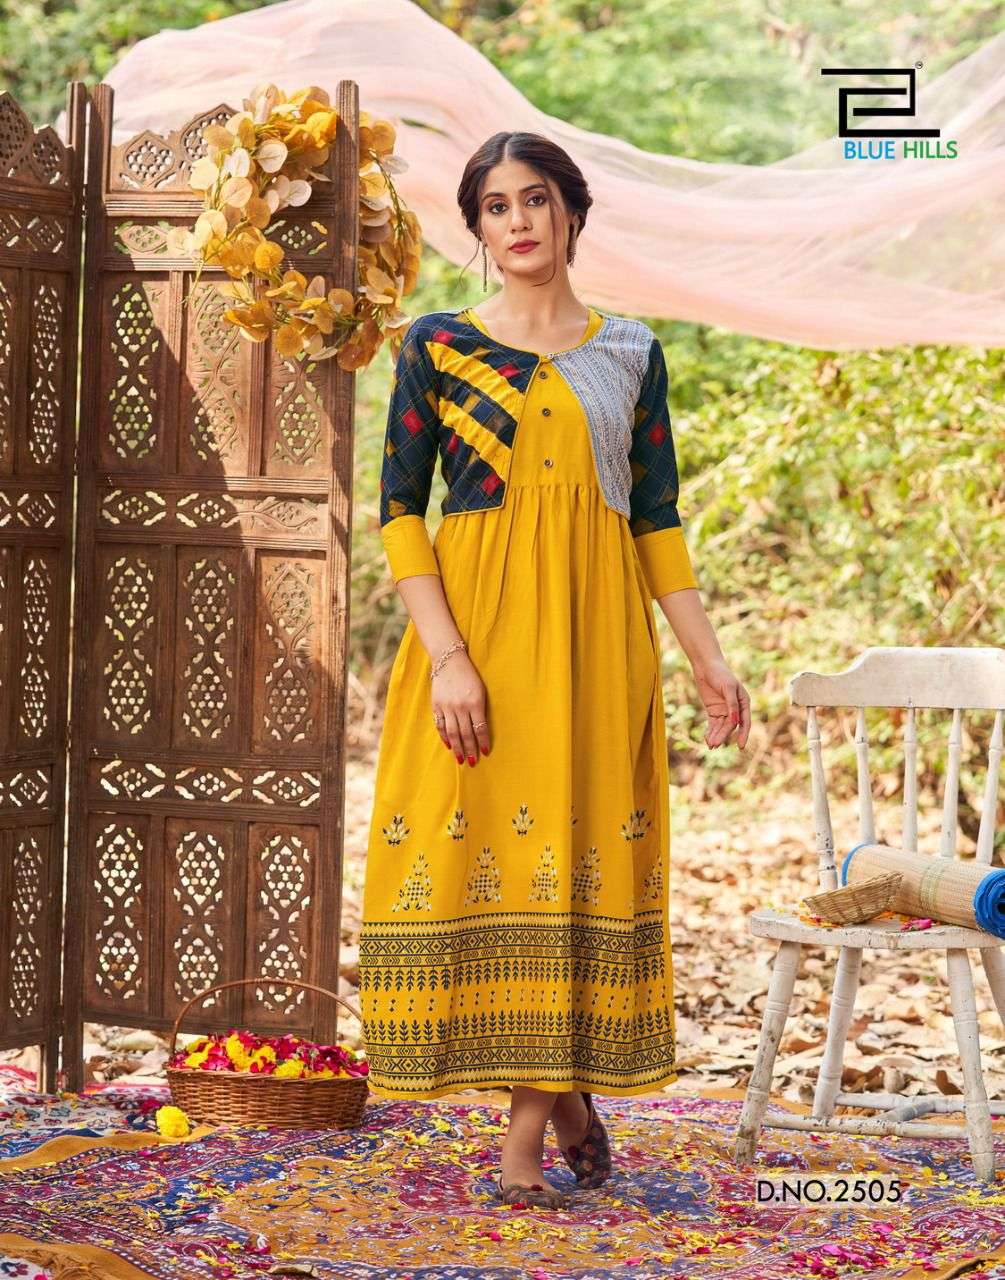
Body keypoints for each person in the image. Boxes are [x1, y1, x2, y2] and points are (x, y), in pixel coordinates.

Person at [359, 130, 751, 1210]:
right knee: (468, 858)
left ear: (571, 212)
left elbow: (656, 520)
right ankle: (569, 1101)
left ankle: (525, 1136)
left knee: (572, 865)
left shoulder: (630, 352)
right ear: (478, 228)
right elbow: (399, 512)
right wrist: (449, 659)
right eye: (495, 206)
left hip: (594, 649)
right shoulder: (440, 345)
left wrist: (709, 660)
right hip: (472, 643)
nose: (518, 221)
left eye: (535, 199)